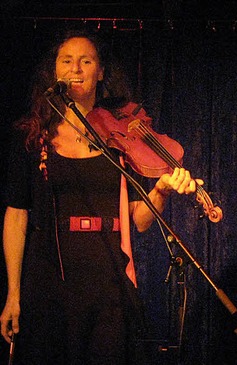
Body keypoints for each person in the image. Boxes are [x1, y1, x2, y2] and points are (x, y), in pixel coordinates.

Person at [0, 29, 201, 364]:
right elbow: (17, 215)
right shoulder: (32, 136)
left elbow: (138, 221)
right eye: (67, 61)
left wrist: (162, 190)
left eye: (86, 61)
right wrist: (13, 294)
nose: (76, 68)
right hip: (48, 271)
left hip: (107, 270)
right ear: (55, 71)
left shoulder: (122, 138)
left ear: (100, 72)